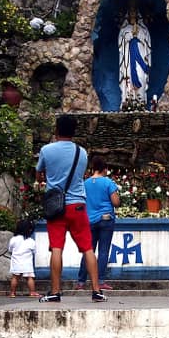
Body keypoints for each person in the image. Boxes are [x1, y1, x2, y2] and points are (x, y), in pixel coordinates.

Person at [36, 115, 107, 303]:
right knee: (88, 248)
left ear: (56, 130)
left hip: (56, 207)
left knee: (57, 248)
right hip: (77, 206)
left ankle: (55, 292)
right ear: (74, 132)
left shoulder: (46, 150)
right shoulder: (82, 153)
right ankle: (96, 291)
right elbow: (78, 175)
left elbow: (39, 174)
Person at [75, 158, 120, 291]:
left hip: (89, 221)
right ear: (104, 169)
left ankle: (81, 282)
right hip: (106, 220)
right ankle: (100, 281)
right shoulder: (108, 182)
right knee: (103, 251)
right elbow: (116, 202)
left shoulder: (85, 183)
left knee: (88, 251)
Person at [118, 0, 151, 108]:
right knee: (128, 79)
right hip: (128, 60)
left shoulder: (143, 29)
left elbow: (147, 44)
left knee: (141, 77)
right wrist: (131, 35)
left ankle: (141, 102)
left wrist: (138, 35)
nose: (133, 15)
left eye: (134, 13)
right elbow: (120, 44)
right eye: (131, 13)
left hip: (140, 59)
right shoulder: (125, 29)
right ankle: (128, 101)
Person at [7, 219, 39, 298]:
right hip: (27, 263)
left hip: (16, 262)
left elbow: (10, 250)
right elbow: (34, 251)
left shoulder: (13, 239)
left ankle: (12, 293)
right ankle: (32, 292)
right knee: (29, 278)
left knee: (15, 277)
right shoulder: (31, 241)